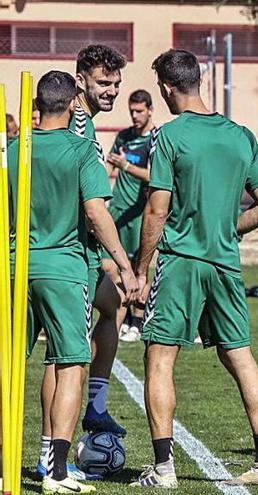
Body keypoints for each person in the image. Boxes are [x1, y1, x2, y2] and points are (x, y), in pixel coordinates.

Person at [131, 49, 258, 488]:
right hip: (225, 264)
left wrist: (141, 270)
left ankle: (163, 469)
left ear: (166, 87)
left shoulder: (168, 136)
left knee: (159, 359)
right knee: (240, 357)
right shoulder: (241, 135)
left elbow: (157, 211)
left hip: (181, 263)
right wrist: (226, 229)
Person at [10, 70, 137, 494]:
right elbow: (98, 214)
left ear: (36, 106)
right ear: (70, 105)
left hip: (15, 268)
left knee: (10, 365)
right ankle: (58, 472)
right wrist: (124, 263)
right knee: (69, 365)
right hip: (63, 269)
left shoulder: (13, 149)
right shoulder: (81, 150)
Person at [36, 43, 128, 482]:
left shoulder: (86, 123)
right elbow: (84, 199)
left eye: (116, 84)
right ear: (80, 82)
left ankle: (94, 404)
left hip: (77, 254)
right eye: (103, 83)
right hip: (69, 254)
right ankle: (51, 452)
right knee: (62, 356)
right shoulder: (75, 126)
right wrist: (119, 260)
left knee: (113, 308)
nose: (111, 90)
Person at [105, 89, 158, 344]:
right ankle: (123, 319)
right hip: (118, 212)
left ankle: (137, 321)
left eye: (139, 111)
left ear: (150, 110)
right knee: (117, 268)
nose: (135, 116)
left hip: (140, 214)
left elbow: (154, 176)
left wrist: (127, 166)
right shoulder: (124, 137)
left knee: (140, 268)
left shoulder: (155, 140)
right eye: (131, 111)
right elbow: (109, 166)